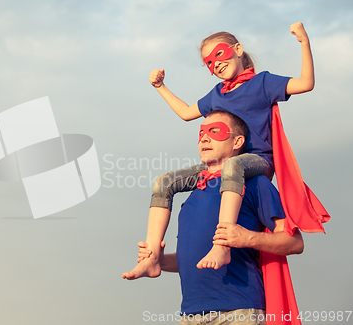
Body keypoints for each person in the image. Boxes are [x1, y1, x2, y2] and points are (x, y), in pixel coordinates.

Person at [122, 22, 313, 280]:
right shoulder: (217, 94)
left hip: (257, 160)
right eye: (209, 63)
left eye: (219, 55)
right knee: (165, 182)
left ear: (237, 49)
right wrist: (160, 87)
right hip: (223, 164)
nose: (216, 64)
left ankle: (222, 245)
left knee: (234, 166)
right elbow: (186, 113)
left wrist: (303, 41)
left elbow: (305, 83)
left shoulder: (262, 83)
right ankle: (153, 258)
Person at [135, 110, 304, 324]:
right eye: (202, 133)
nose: (204, 138)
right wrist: (161, 259)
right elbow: (199, 260)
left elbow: (295, 243)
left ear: (237, 141)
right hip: (190, 315)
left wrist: (246, 238)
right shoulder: (193, 195)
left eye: (215, 131)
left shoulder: (255, 185)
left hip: (239, 312)